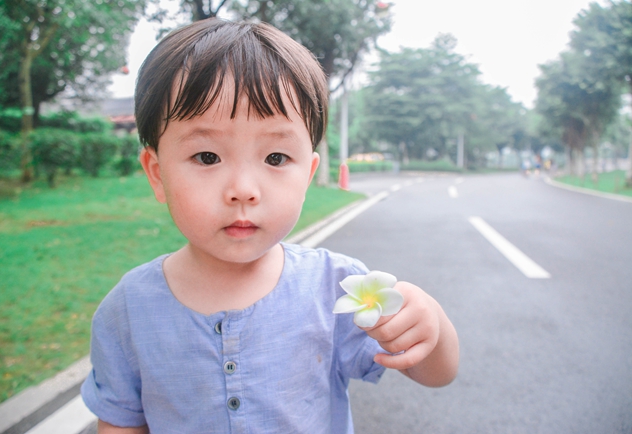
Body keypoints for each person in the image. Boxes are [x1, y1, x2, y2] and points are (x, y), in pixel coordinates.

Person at [81, 18, 459, 434]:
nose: (243, 190)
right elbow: (119, 423)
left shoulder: (338, 288)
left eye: (276, 158)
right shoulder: (128, 311)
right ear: (157, 174)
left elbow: (436, 374)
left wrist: (432, 328)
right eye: (207, 157)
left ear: (308, 174)